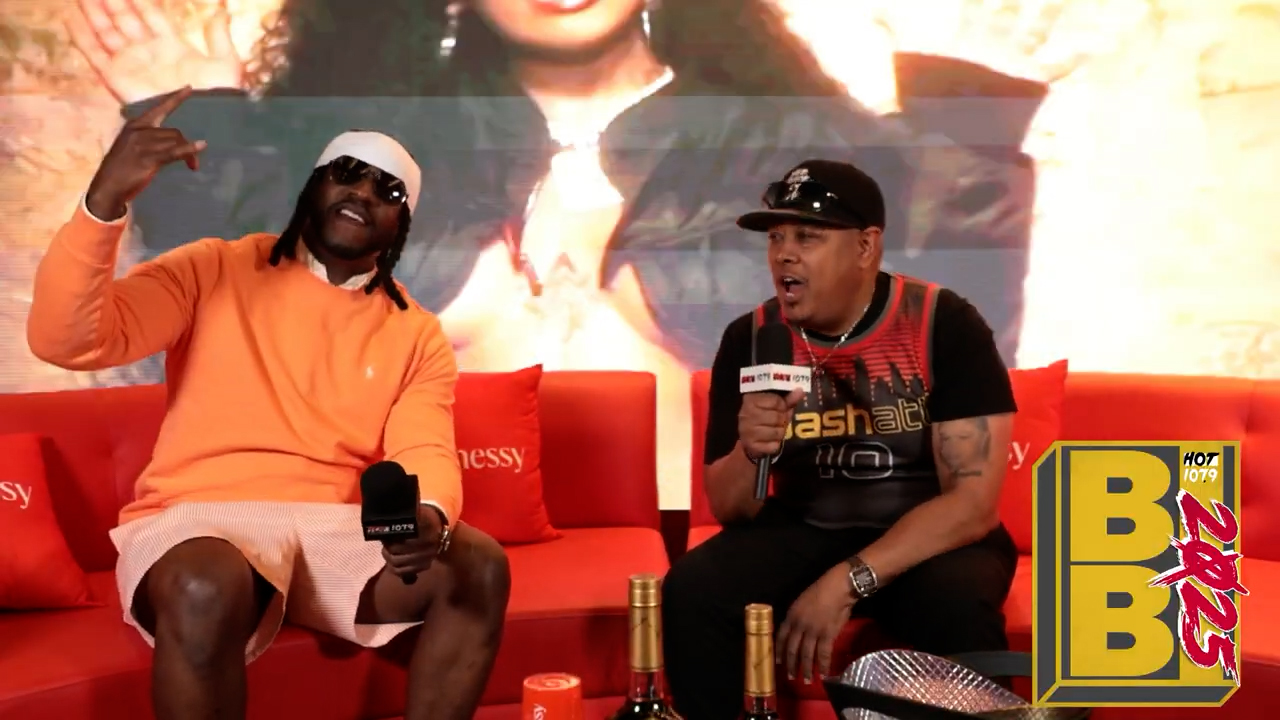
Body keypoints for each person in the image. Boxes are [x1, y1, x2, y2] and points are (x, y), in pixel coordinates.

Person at [62, 0, 1045, 508]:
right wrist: (208, 133)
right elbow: (237, 346)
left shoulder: (798, 143)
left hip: (728, 539)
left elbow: (941, 366)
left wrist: (967, 116)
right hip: (426, 550)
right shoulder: (342, 154)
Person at [25, 88, 511, 720]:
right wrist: (104, 203)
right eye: (346, 172)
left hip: (334, 531)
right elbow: (67, 340)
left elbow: (424, 445)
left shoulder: (416, 332)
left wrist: (431, 514)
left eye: (388, 190)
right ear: (311, 187)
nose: (363, 192)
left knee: (479, 565)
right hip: (202, 519)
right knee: (206, 583)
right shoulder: (212, 268)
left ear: (402, 225)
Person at [661, 159, 1020, 720]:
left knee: (954, 603)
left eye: (807, 236)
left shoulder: (942, 322)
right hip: (806, 523)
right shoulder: (752, 338)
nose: (784, 254)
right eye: (776, 238)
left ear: (865, 247)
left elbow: (972, 504)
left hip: (931, 533)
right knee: (694, 589)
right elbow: (731, 508)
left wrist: (845, 582)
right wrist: (751, 450)